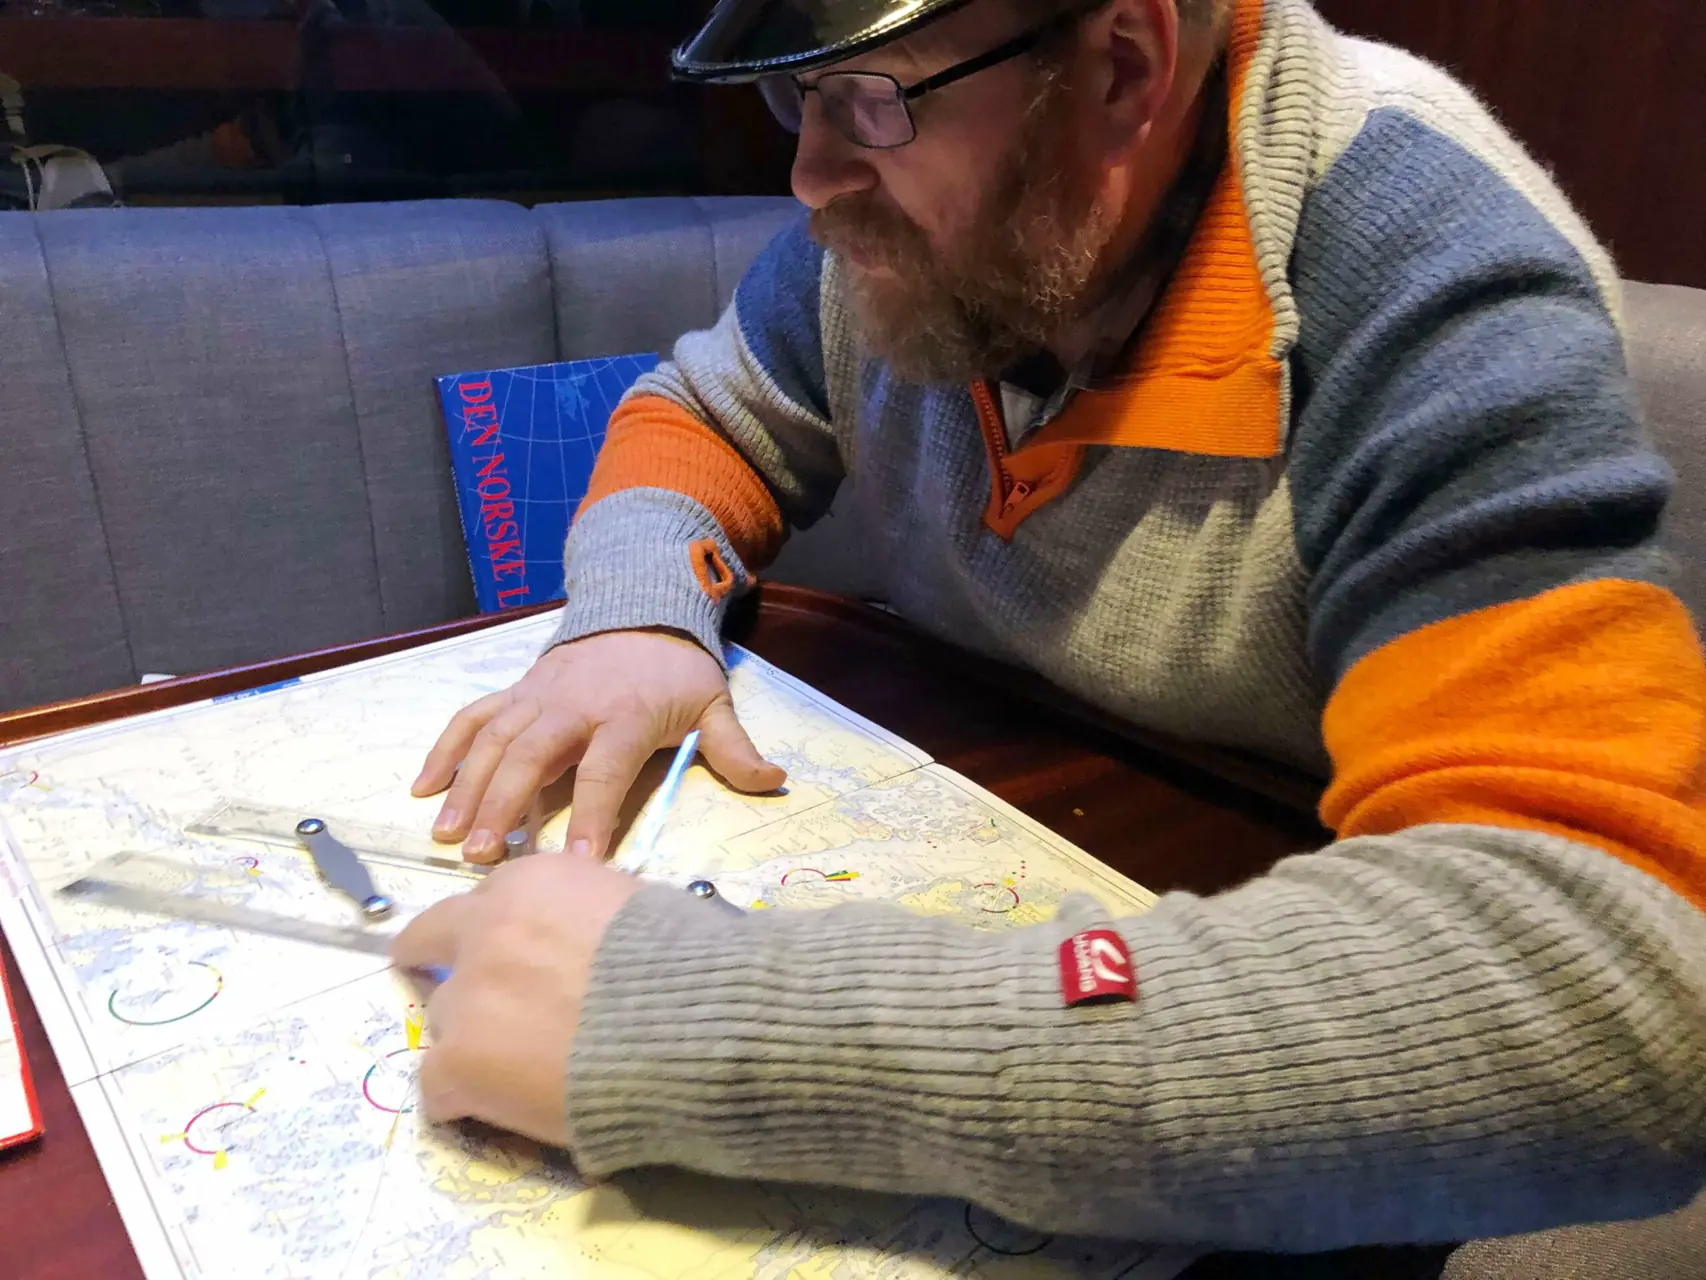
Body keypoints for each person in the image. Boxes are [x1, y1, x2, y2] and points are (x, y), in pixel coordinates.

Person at [393, 0, 1706, 1266]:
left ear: (1122, 64)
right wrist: (637, 618)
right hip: (1026, 812)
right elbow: (703, 415)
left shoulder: (1429, 275)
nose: (810, 179)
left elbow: (1613, 993)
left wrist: (722, 1026)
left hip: (1291, 955)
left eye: (867, 98)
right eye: (800, 96)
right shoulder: (904, 226)